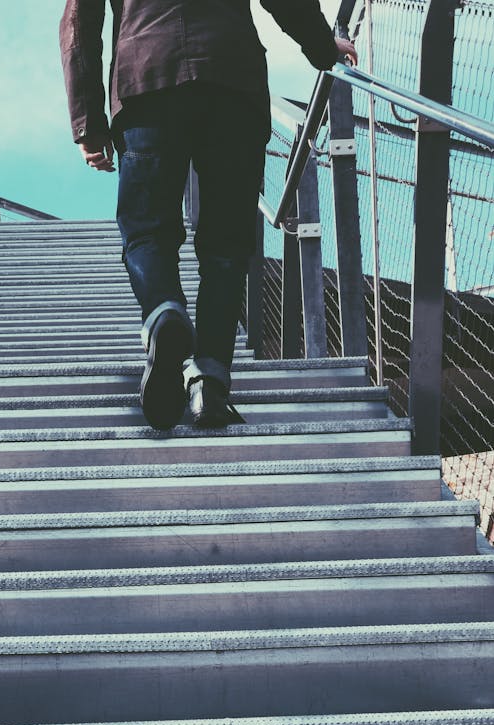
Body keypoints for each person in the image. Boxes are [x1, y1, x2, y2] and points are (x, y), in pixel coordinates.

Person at [60, 1, 357, 430]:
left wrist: (87, 120)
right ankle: (209, 384)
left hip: (147, 82)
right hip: (232, 80)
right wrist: (323, 48)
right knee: (226, 246)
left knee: (146, 231)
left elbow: (78, 22)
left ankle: (164, 313)